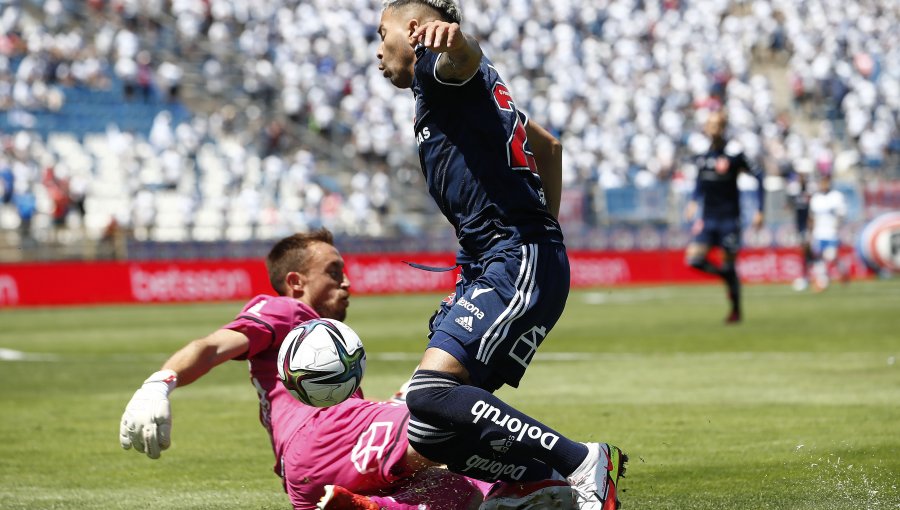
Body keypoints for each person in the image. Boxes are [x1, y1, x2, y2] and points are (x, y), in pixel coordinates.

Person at [375, 2, 626, 509]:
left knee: (426, 394)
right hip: (506, 259)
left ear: (415, 30)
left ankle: (580, 462)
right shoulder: (477, 101)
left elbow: (461, 59)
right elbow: (549, 147)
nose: (378, 50)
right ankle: (537, 484)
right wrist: (545, 232)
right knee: (430, 428)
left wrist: (457, 43)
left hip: (513, 257)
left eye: (383, 34)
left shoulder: (438, 67)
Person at [118, 229, 486, 510]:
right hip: (326, 434)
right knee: (461, 422)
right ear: (296, 282)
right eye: (333, 271)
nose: (346, 282)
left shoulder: (314, 354)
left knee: (457, 488)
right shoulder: (287, 311)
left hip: (307, 482)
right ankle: (541, 478)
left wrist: (397, 399)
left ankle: (373, 507)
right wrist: (160, 382)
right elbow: (213, 346)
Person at [683, 110, 765, 323]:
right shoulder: (703, 155)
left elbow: (759, 176)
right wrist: (693, 201)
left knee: (729, 264)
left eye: (717, 125)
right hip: (708, 220)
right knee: (694, 259)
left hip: (730, 220)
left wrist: (760, 210)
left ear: (723, 127)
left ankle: (736, 311)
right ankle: (726, 277)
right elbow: (700, 182)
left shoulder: (734, 154)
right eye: (710, 125)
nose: (713, 129)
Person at [807, 173, 849, 290]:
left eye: (826, 182)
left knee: (830, 256)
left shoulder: (836, 197)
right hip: (818, 233)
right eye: (822, 182)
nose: (824, 185)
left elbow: (842, 214)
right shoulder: (816, 199)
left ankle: (843, 271)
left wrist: (838, 226)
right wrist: (810, 233)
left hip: (831, 232)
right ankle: (823, 282)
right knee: (819, 258)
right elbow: (812, 217)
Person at [786, 169, 814, 291]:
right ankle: (806, 276)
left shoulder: (809, 193)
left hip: (809, 227)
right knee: (803, 251)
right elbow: (789, 205)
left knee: (808, 251)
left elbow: (812, 211)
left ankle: (809, 275)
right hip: (799, 226)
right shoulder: (795, 193)